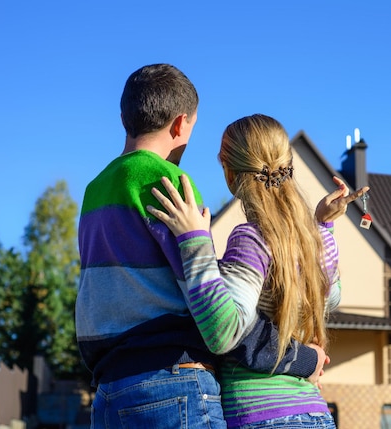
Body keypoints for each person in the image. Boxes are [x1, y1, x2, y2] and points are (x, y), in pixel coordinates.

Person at [76, 64, 336, 429]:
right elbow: (218, 315)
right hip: (173, 379)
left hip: (109, 387)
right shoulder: (171, 183)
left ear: (124, 118)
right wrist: (304, 359)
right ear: (181, 124)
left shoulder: (94, 191)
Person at [147, 113, 369, 428]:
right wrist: (322, 227)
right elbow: (330, 297)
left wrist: (193, 240)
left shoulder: (252, 239)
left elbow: (224, 332)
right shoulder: (313, 240)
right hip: (315, 414)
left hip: (262, 416)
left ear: (229, 172)